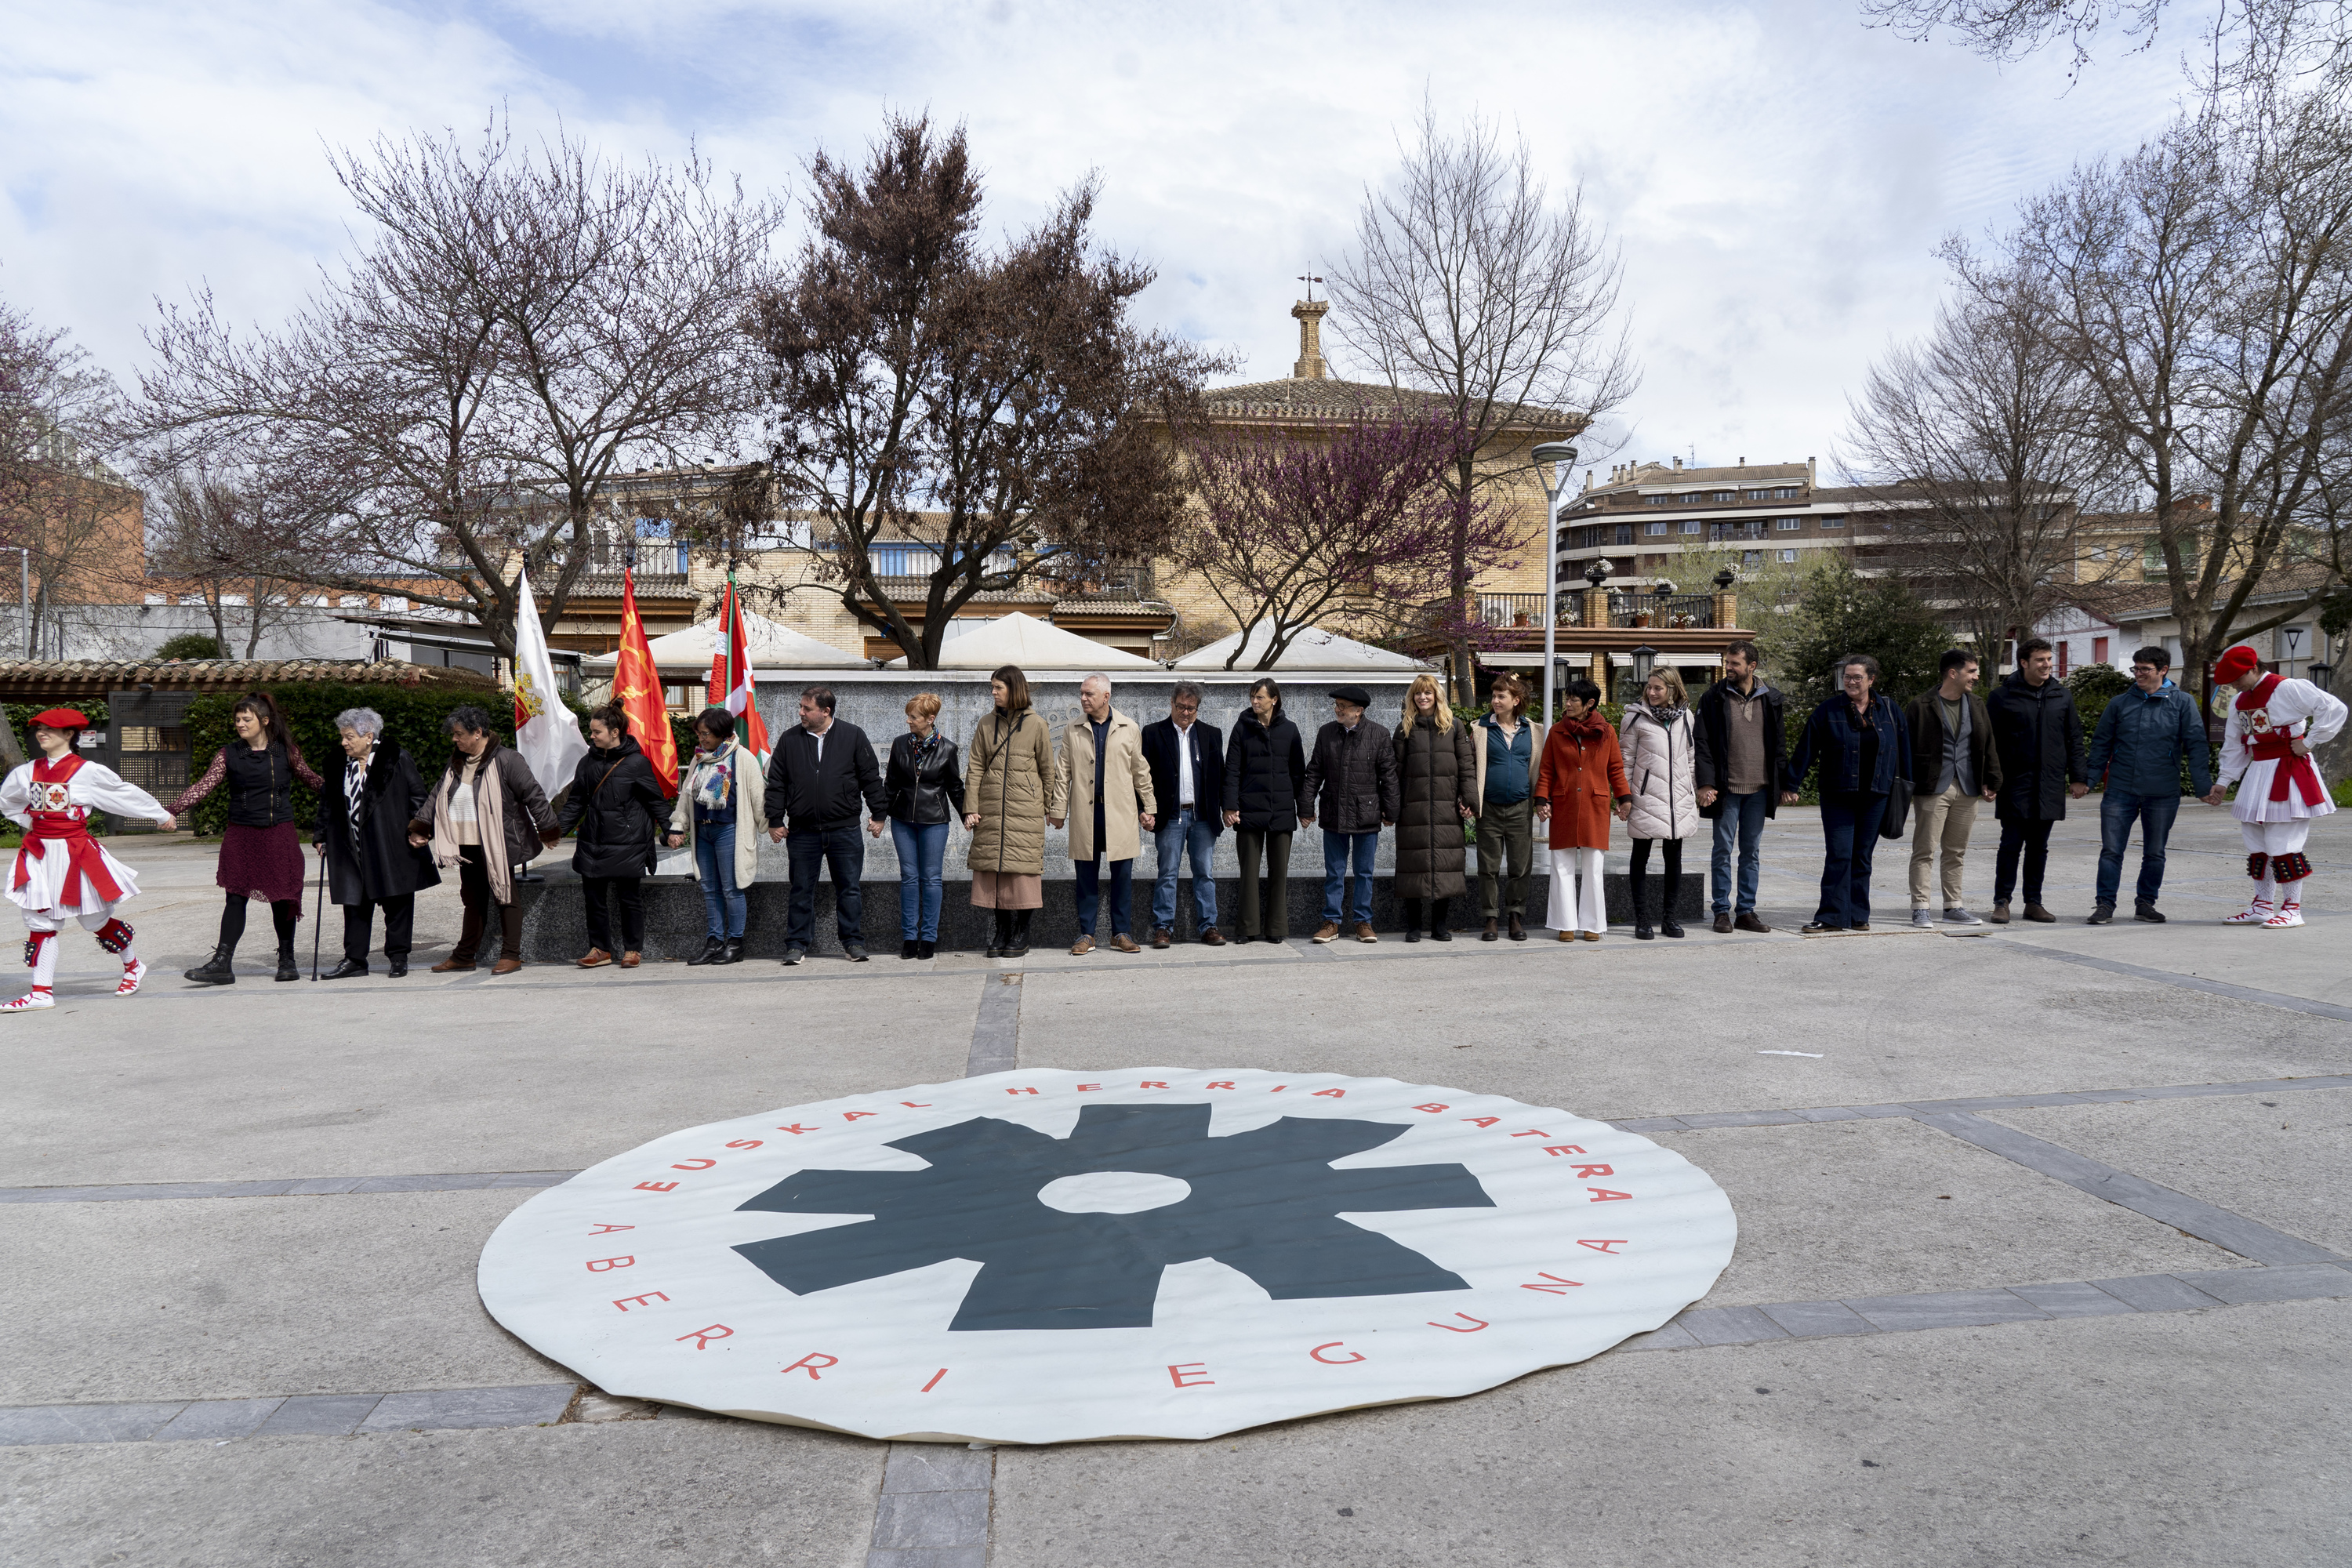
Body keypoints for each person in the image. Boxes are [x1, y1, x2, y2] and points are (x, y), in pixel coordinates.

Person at [1, 709, 172, 1011]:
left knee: (94, 919)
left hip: (75, 853)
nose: (42, 733)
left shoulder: (87, 772)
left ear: (69, 735)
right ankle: (41, 992)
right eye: (39, 728)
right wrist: (34, 824)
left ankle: (133, 966)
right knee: (41, 921)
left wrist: (159, 814)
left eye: (50, 729)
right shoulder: (26, 772)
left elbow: (123, 794)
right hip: (39, 854)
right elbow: (9, 801)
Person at [169, 691, 325, 985]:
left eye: (246, 719)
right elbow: (204, 786)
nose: (240, 724)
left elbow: (314, 781)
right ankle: (223, 963)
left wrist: (350, 790)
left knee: (283, 898)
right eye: (237, 719)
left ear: (264, 721)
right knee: (235, 897)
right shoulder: (228, 754)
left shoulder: (287, 752)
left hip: (280, 833)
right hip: (241, 835)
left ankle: (287, 960)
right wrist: (172, 810)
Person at [410, 706, 561, 975]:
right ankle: (465, 956)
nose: (454, 740)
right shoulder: (457, 762)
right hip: (465, 843)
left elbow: (533, 794)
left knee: (505, 895)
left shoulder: (507, 760)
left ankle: (511, 955)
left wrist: (547, 828)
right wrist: (422, 826)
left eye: (459, 734)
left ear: (478, 733)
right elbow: (437, 795)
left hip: (497, 842)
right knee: (472, 899)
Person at [2204, 644, 2346, 927]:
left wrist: (2309, 741)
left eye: (2236, 677)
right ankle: (2262, 905)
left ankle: (2293, 908)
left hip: (2288, 770)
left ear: (2254, 668)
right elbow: (2235, 744)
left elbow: (2334, 708)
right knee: (2257, 844)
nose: (2233, 684)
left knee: (2284, 843)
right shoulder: (2239, 701)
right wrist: (2224, 781)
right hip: (2258, 773)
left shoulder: (2289, 688)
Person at [1784, 653, 1914, 934]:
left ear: (1871, 679)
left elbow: (1903, 752)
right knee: (1839, 855)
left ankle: (1857, 915)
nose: (1851, 682)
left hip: (1876, 794)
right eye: (1847, 677)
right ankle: (1832, 916)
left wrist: (1907, 790)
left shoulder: (1889, 710)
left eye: (1857, 677)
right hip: (1838, 795)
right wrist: (1791, 784)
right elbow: (1806, 749)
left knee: (1862, 856)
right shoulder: (1828, 710)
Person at [2085, 647, 2210, 924]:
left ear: (2163, 670)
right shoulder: (2119, 703)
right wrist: (2088, 780)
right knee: (2111, 851)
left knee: (2155, 852)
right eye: (2136, 669)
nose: (2138, 674)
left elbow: (2196, 745)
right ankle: (2104, 905)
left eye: (2144, 669)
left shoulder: (2183, 702)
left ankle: (2145, 903)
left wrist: (2203, 787)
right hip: (2120, 789)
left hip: (2163, 791)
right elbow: (2101, 744)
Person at [764, 685, 887, 965]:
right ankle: (796, 945)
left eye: (807, 708)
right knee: (801, 889)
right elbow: (777, 784)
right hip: (803, 832)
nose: (801, 712)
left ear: (825, 711)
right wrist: (774, 819)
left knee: (850, 889)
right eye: (801, 707)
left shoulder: (853, 736)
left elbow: (870, 777)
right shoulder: (789, 739)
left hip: (844, 830)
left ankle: (853, 942)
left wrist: (879, 814)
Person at [314, 707, 438, 979]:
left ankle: (398, 957)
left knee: (397, 902)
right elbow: (328, 802)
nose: (343, 742)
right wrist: (321, 835)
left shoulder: (396, 759)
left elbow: (419, 797)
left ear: (368, 736)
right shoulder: (337, 763)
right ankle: (355, 959)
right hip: (350, 843)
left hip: (390, 842)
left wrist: (420, 830)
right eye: (343, 737)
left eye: (349, 737)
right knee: (355, 902)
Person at [964, 664, 1063, 960]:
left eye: (998, 688)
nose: (993, 693)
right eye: (992, 687)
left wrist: (1051, 808)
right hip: (991, 810)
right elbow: (975, 768)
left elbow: (1048, 770)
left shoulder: (1037, 724)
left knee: (1023, 872)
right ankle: (1001, 931)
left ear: (1014, 689)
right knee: (994, 871)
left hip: (1026, 813)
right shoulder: (985, 724)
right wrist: (971, 807)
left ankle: (1022, 932)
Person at [557, 704, 668, 968]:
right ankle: (600, 949)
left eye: (597, 731)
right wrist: (555, 832)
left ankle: (633, 950)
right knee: (593, 899)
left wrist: (671, 828)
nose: (592, 736)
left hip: (628, 843)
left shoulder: (637, 763)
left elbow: (656, 801)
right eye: (591, 731)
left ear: (615, 732)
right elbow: (575, 803)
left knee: (629, 898)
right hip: (593, 842)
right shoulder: (587, 763)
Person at [1986, 637, 2087, 923]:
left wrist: (2079, 777)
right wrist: (1991, 779)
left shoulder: (2062, 696)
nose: (2047, 665)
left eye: (2048, 659)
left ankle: (2033, 902)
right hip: (2014, 784)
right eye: (2040, 660)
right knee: (2010, 845)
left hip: (2050, 784)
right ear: (2024, 663)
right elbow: (1989, 744)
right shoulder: (2002, 697)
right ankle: (2002, 901)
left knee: (2039, 848)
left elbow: (2074, 739)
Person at [1904, 650, 2002, 929]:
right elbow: (1906, 749)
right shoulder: (1921, 705)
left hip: (1968, 787)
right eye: (1971, 671)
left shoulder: (1977, 704)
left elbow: (1988, 743)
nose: (1976, 676)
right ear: (1953, 673)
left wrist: (1992, 780)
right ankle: (1920, 907)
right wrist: (1908, 785)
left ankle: (1953, 906)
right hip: (1933, 787)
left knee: (1956, 851)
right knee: (1925, 850)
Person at [1061, 673, 1156, 956]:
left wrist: (1149, 807)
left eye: (1089, 694)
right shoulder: (1072, 729)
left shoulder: (1129, 727)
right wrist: (1057, 810)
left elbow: (1140, 771)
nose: (1083, 698)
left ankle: (1121, 934)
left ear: (1106, 697)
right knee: (1086, 877)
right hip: (1085, 812)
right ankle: (1086, 935)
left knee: (1123, 877)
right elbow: (1063, 771)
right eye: (1081, 693)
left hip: (1121, 812)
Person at [1693, 642, 1786, 935]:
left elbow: (1779, 746)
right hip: (1727, 788)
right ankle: (1721, 910)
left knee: (1751, 851)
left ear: (1752, 666)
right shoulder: (1714, 697)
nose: (1728, 668)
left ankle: (1746, 911)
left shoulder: (1771, 699)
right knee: (1722, 850)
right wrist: (1706, 782)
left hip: (1759, 788)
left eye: (1735, 663)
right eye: (1727, 662)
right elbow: (1703, 743)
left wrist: (1784, 784)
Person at [1534, 678, 1629, 941]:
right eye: (1567, 698)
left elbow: (1615, 769)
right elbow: (1547, 770)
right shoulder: (1556, 731)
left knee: (1594, 867)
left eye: (1573, 700)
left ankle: (1592, 924)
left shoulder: (1607, 731)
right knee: (1561, 865)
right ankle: (1565, 923)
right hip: (1563, 804)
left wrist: (1624, 797)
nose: (1567, 704)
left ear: (1590, 704)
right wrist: (1541, 800)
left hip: (1595, 805)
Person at [666, 708, 762, 965]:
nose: (701, 739)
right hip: (703, 830)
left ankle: (735, 942)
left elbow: (757, 796)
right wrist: (678, 826)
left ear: (721, 733)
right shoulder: (700, 759)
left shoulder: (742, 758)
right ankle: (714, 941)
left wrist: (770, 825)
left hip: (728, 828)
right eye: (699, 734)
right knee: (710, 888)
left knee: (731, 888)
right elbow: (687, 796)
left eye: (706, 734)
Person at [1305, 684, 1398, 944]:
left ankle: (1362, 922)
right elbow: (1314, 771)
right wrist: (1305, 806)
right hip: (1333, 812)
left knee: (1364, 871)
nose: (1337, 710)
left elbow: (1388, 776)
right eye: (1337, 706)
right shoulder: (1326, 733)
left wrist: (1390, 811)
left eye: (1342, 706)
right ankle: (1332, 922)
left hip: (1366, 814)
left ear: (1358, 711)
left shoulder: (1379, 734)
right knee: (1334, 871)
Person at [1222, 677, 1308, 945]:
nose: (1254, 701)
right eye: (1252, 697)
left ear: (1274, 699)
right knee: (1249, 872)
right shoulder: (1241, 729)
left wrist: (1304, 809)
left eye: (1260, 697)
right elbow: (1232, 769)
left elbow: (1298, 774)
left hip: (1282, 812)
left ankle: (1276, 929)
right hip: (1248, 811)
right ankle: (1247, 929)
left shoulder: (1290, 730)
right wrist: (1230, 806)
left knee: (1279, 873)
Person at [1392, 673, 1475, 942]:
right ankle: (1414, 926)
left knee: (1446, 865)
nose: (1423, 697)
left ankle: (1440, 926)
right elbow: (1395, 771)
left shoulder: (1454, 727)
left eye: (1428, 692)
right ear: (1412, 697)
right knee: (1413, 865)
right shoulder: (1404, 729)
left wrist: (1468, 800)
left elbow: (1466, 767)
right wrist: (1393, 805)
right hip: (1413, 809)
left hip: (1446, 809)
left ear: (1437, 695)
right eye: (1418, 693)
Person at [1142, 681, 1225, 947]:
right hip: (1170, 817)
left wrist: (1228, 808)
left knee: (1205, 872)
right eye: (1181, 707)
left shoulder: (1211, 734)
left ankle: (1209, 927)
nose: (1185, 712)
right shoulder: (1154, 733)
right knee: (1167, 872)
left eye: (1191, 708)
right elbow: (1143, 777)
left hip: (1202, 817)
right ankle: (1163, 928)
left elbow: (1219, 776)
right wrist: (1145, 809)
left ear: (1198, 709)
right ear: (1172, 704)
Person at [1621, 667, 1699, 940]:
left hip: (1678, 799)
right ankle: (1642, 920)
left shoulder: (1686, 717)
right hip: (1645, 797)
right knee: (1640, 857)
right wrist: (1625, 797)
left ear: (1673, 691)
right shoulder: (1635, 718)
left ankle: (1670, 919)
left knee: (1674, 859)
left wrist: (1693, 790)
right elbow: (1625, 761)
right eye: (1649, 688)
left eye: (1658, 688)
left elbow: (1691, 758)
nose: (1652, 693)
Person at [885, 693, 965, 960]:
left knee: (931, 878)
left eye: (914, 717)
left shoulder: (948, 749)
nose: (908, 721)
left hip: (934, 821)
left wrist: (967, 814)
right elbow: (891, 785)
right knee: (908, 877)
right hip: (902, 819)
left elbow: (955, 787)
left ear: (930, 720)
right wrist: (879, 815)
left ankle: (929, 938)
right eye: (908, 716)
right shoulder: (899, 745)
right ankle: (910, 937)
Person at [1472, 673, 1543, 941]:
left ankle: (1515, 916)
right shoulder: (1479, 729)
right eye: (1494, 696)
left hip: (1520, 808)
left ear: (1516, 700)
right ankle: (1490, 918)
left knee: (1520, 866)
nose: (1495, 701)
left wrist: (1540, 801)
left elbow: (1539, 769)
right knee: (1488, 867)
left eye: (1501, 696)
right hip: (1488, 808)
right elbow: (1470, 768)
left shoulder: (1534, 731)